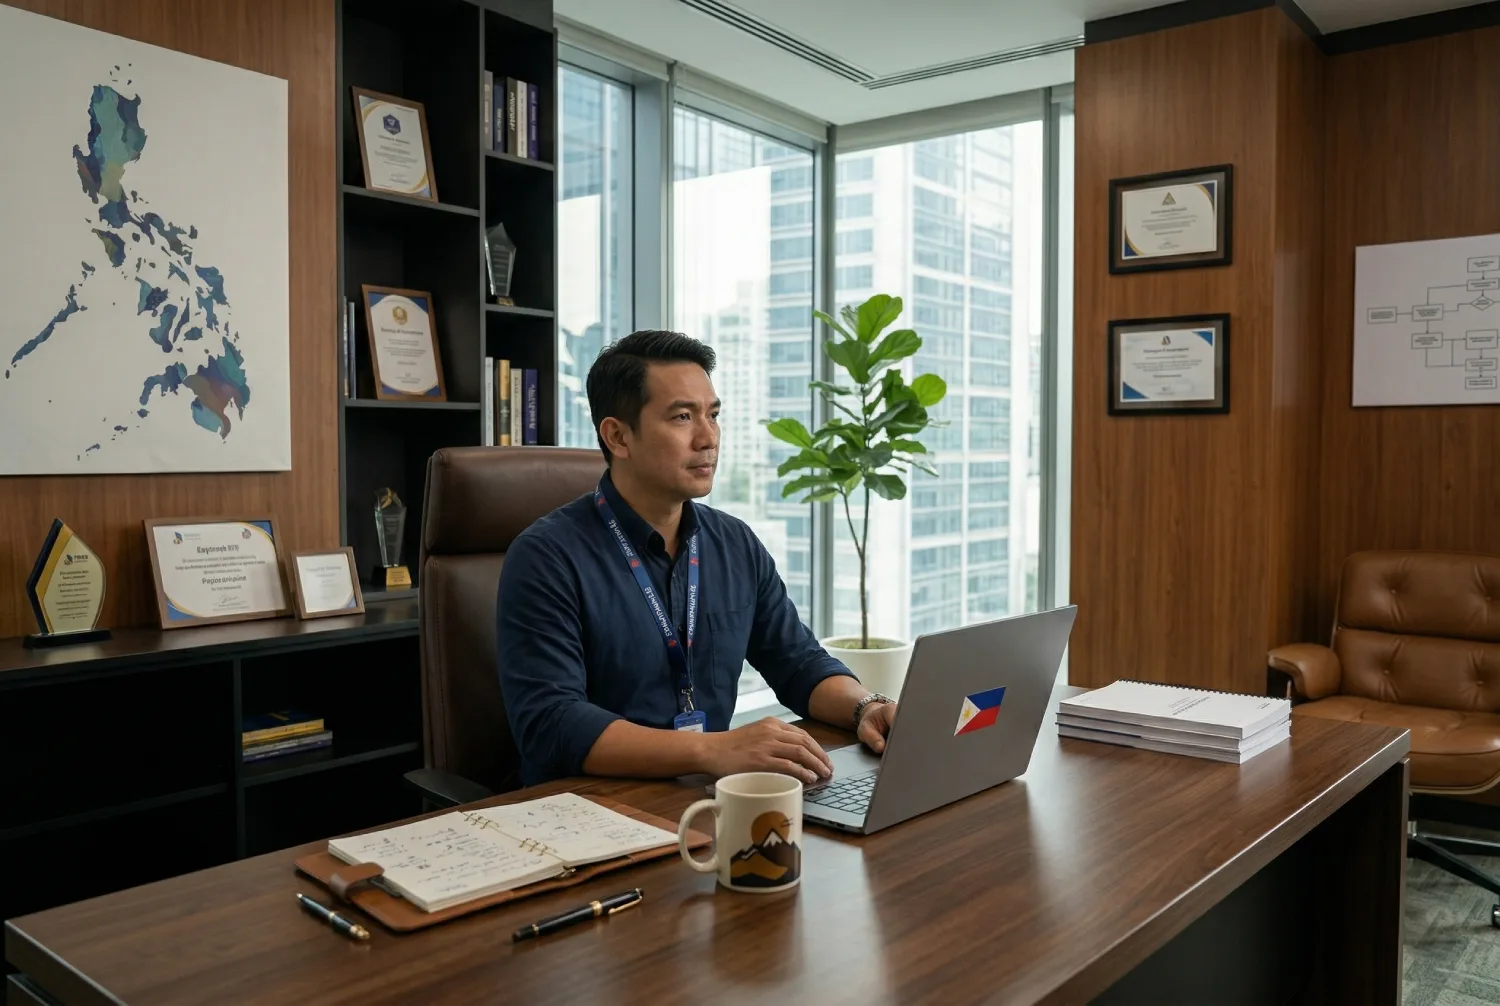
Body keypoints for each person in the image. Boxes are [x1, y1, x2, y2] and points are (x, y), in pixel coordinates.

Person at [496, 330, 897, 787]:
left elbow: (799, 663)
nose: (708, 438)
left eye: (713, 415)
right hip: (594, 813)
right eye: (682, 417)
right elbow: (552, 725)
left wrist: (867, 707)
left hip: (709, 800)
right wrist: (714, 749)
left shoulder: (734, 543)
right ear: (618, 436)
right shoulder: (546, 557)